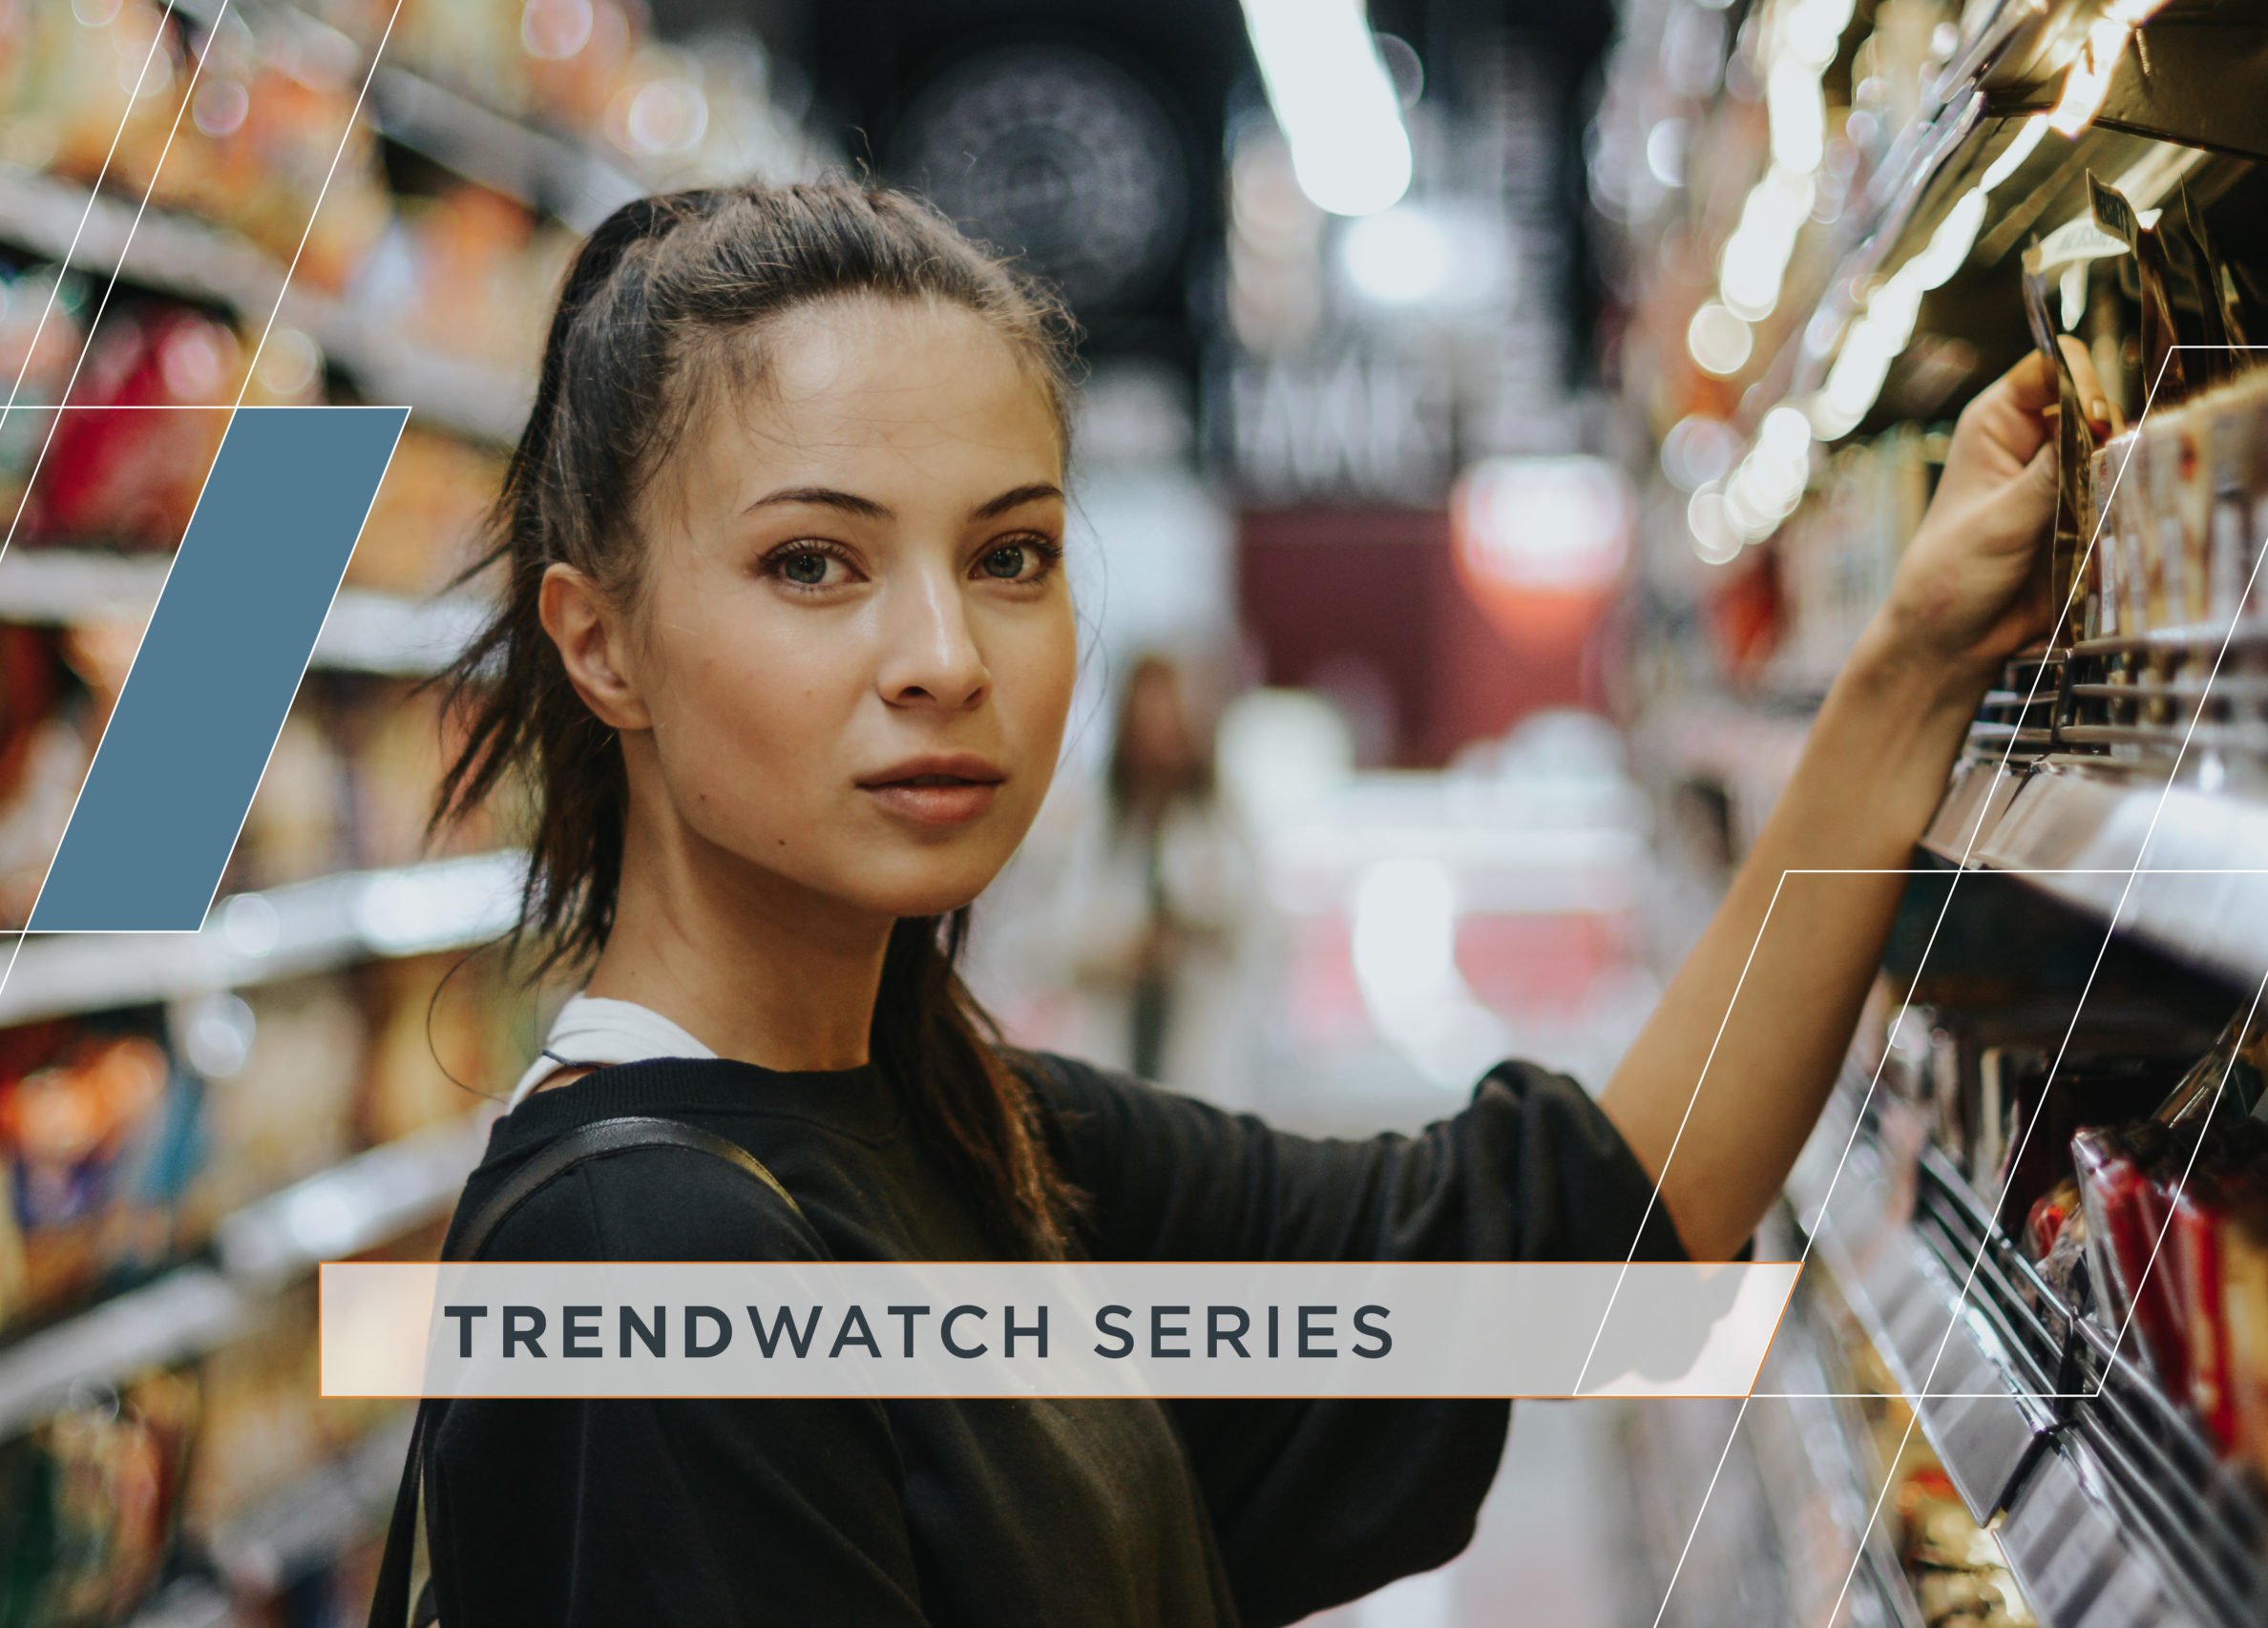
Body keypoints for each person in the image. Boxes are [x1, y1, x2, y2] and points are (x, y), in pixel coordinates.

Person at [409, 180, 2060, 1626]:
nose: (944, 658)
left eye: (1012, 556)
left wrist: (1912, 668)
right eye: (814, 565)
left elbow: (1582, 1245)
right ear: (597, 638)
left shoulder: (982, 1135)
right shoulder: (649, 1262)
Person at [1024, 651, 1265, 1107]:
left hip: (1203, 1055)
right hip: (1110, 1050)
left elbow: (1263, 938)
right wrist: (1116, 949)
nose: (1159, 742)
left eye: (1171, 724)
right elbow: (1039, 943)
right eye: (1147, 724)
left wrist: (1197, 933)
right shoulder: (1090, 824)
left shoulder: (1222, 823)